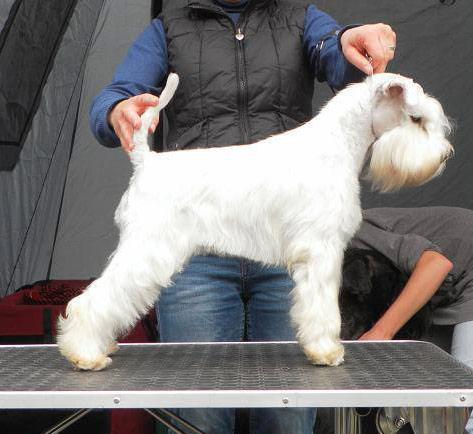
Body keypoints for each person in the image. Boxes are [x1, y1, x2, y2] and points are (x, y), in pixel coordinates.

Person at [90, 1, 396, 432]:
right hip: (197, 253)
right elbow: (113, 97)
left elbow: (336, 54)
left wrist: (352, 41)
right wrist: (117, 110)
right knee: (196, 416)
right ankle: (87, 331)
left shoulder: (301, 17)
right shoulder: (169, 28)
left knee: (289, 415)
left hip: (282, 257)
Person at [351, 206, 473, 433]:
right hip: (442, 296)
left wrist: (380, 333)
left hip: (461, 269)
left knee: (466, 392)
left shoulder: (350, 231)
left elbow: (436, 264)